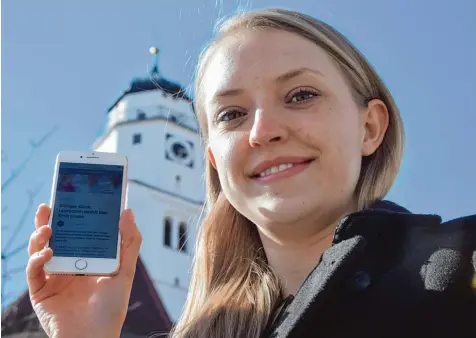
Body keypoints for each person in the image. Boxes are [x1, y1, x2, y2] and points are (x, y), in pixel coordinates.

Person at [26, 8, 475, 338]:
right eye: (232, 114)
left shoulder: (461, 273)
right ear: (215, 160)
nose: (262, 132)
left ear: (370, 127)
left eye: (300, 95)